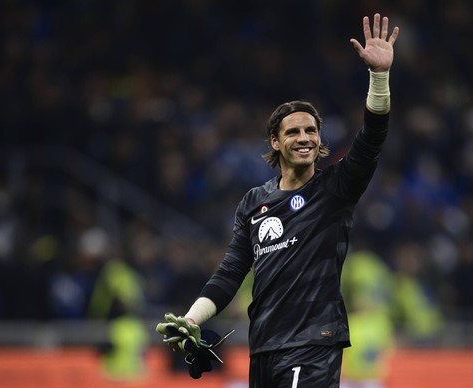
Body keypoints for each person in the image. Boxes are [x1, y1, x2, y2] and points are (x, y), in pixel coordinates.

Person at [156, 12, 399, 387]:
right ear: (275, 142)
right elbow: (230, 273)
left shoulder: (336, 189)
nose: (304, 137)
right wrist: (191, 319)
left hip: (313, 342)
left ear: (320, 140)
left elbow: (371, 140)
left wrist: (379, 77)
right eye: (294, 131)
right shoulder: (254, 201)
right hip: (265, 346)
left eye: (311, 131)